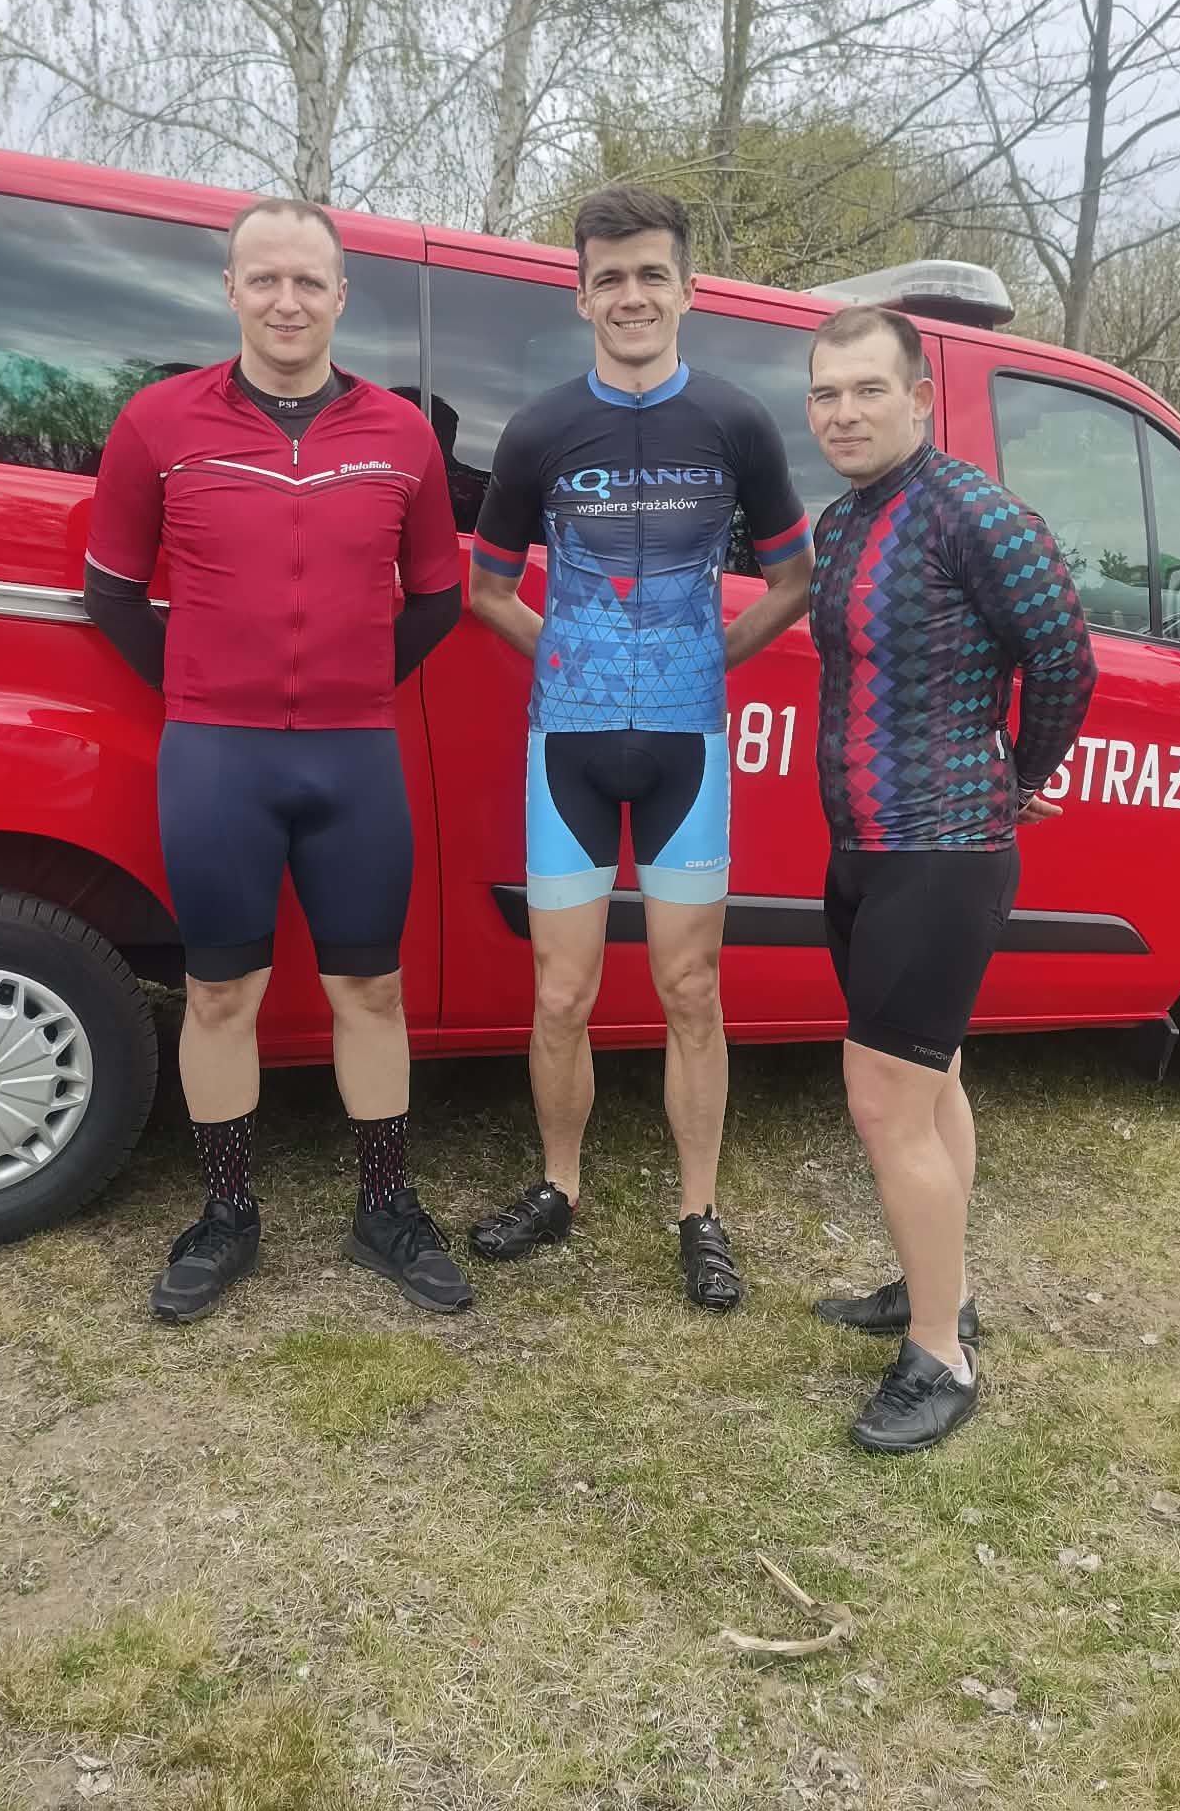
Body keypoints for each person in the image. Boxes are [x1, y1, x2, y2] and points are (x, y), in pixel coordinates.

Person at [84, 198, 472, 1322]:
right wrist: (203, 688)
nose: (287, 301)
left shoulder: (400, 433)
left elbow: (439, 595)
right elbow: (113, 591)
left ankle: (385, 1206)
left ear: (342, 295)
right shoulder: (159, 422)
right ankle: (226, 1214)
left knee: (373, 985)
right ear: (231, 291)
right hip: (218, 756)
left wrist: (351, 681)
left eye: (309, 281)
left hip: (355, 754)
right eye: (265, 280)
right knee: (219, 992)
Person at [464, 185, 815, 1307]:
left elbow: (795, 579)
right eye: (608, 277)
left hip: (686, 748)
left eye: (650, 274)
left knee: (690, 986)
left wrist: (709, 658)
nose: (631, 295)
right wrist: (567, 653)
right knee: (560, 993)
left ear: (687, 288)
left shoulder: (735, 422)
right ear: (581, 296)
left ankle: (700, 1210)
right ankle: (559, 1185)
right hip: (566, 744)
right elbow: (485, 588)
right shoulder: (538, 430)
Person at [803, 303, 1096, 1451]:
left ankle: (941, 1356)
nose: (843, 412)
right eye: (826, 392)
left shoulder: (976, 511)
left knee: (884, 1100)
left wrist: (1022, 771)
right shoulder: (843, 520)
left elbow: (1063, 654)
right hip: (866, 848)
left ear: (920, 397)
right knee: (932, 1083)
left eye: (867, 389)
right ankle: (944, 1289)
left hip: (945, 848)